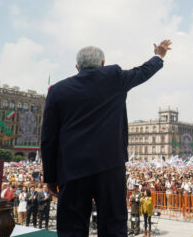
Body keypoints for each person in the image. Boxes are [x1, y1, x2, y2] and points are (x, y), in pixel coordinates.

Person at [41, 40, 171, 237]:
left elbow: (48, 138)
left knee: (71, 228)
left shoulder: (57, 91)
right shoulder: (115, 77)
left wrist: (50, 177)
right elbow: (142, 72)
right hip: (110, 167)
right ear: (103, 63)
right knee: (113, 226)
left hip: (72, 170)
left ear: (77, 67)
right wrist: (158, 55)